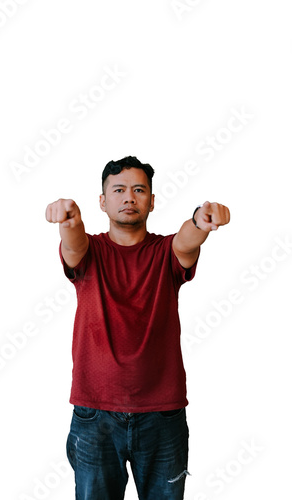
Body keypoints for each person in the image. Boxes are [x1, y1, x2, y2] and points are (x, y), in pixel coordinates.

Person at [45, 156, 230, 500]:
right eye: (118, 190)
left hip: (162, 414)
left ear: (152, 201)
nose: (129, 197)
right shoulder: (90, 251)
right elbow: (73, 244)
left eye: (139, 190)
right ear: (102, 201)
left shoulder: (165, 253)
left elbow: (187, 241)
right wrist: (69, 219)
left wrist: (200, 220)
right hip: (95, 413)